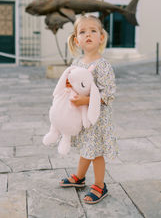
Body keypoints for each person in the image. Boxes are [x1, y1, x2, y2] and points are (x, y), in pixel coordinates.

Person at [60, 15, 118, 204]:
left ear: (101, 37)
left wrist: (85, 99)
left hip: (97, 120)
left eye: (93, 30)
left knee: (97, 152)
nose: (88, 34)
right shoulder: (77, 63)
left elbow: (108, 94)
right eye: (83, 32)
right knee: (86, 147)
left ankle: (101, 186)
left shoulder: (104, 65)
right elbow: (72, 84)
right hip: (82, 118)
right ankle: (79, 177)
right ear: (77, 40)